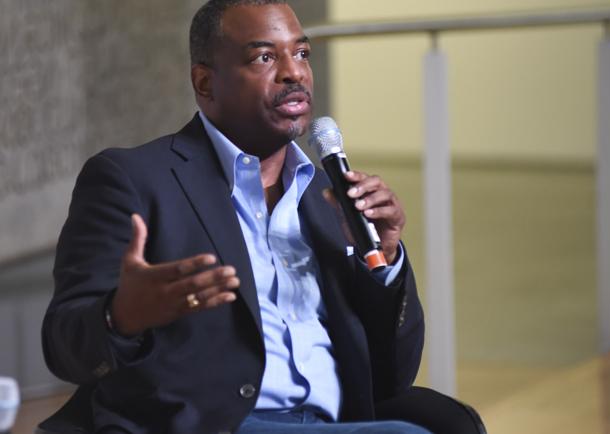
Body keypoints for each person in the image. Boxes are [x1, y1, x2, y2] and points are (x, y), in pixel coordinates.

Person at [42, 1, 485, 433]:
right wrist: (120, 316)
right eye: (265, 57)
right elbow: (65, 349)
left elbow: (391, 376)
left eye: (302, 53)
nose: (294, 73)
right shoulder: (134, 179)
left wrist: (383, 259)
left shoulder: (327, 198)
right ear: (205, 83)